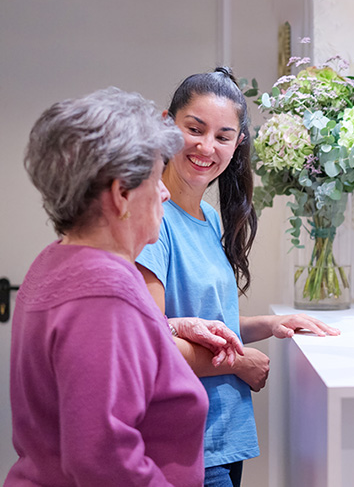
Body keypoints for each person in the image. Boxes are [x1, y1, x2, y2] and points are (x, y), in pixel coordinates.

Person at [7, 87, 244, 486]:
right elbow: (103, 458)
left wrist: (168, 327)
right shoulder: (103, 292)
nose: (165, 191)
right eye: (155, 176)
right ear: (121, 195)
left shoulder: (57, 260)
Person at [135, 68, 340, 487]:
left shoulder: (208, 218)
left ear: (238, 142)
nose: (206, 146)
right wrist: (240, 361)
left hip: (228, 434)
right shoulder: (152, 221)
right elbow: (151, 345)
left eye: (223, 136)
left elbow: (203, 320)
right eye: (194, 128)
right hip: (186, 444)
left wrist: (270, 325)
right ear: (165, 124)